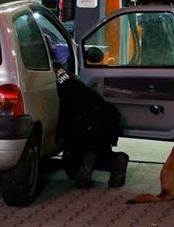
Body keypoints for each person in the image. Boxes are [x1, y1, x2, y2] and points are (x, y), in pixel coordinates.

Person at [44, 34, 129, 189]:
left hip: (83, 122)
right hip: (103, 114)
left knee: (72, 164)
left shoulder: (42, 74)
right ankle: (115, 159)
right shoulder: (59, 68)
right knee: (97, 146)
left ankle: (88, 158)